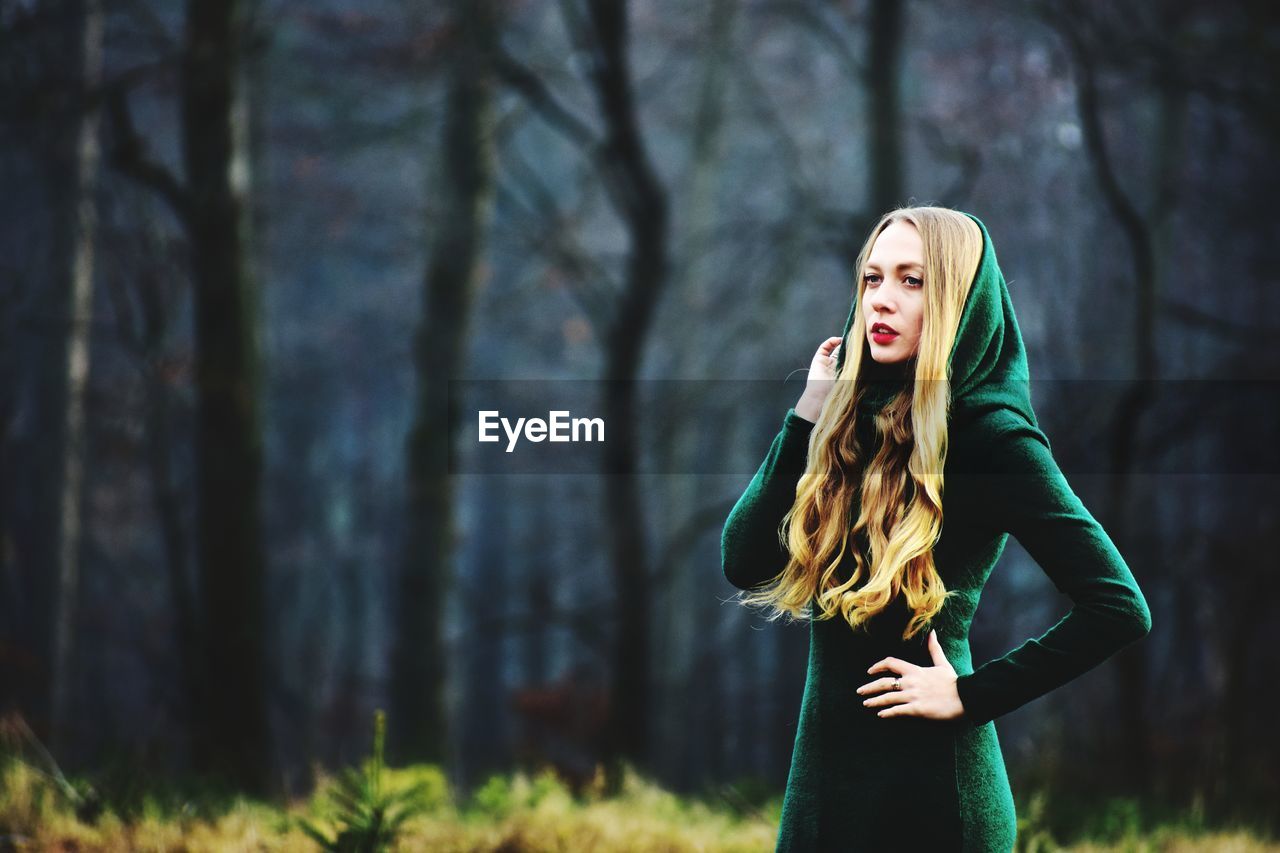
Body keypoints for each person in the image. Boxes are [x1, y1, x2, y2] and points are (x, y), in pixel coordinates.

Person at [720, 207, 1152, 851]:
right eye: (872, 279)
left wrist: (971, 696)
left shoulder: (994, 437)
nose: (882, 301)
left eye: (912, 281)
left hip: (935, 802)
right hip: (824, 791)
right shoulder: (845, 425)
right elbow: (746, 559)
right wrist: (809, 412)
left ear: (955, 300)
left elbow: (1119, 607)